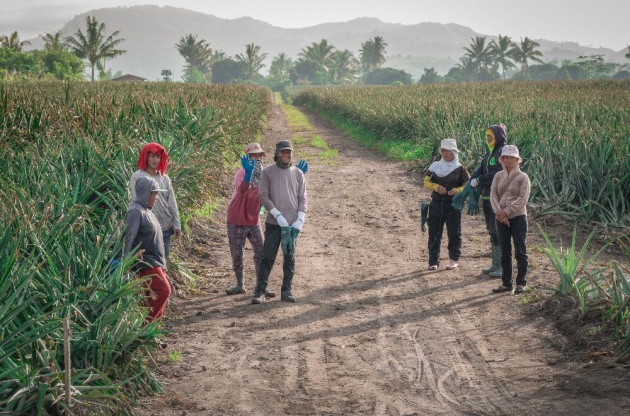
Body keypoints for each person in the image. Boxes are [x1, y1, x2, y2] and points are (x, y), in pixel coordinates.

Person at [252, 140, 307, 304]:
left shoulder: (298, 173)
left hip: (292, 225)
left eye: (288, 152)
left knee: (290, 258)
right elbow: (263, 197)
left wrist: (300, 219)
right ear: (277, 153)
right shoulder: (268, 172)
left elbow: (302, 198)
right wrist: (277, 215)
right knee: (268, 257)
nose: (286, 155)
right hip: (274, 223)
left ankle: (286, 291)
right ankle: (260, 292)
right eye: (283, 152)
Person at [224, 143, 272, 296]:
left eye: (259, 155)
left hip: (253, 219)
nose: (257, 158)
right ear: (248, 158)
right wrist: (247, 175)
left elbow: (268, 196)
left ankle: (260, 286)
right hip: (236, 218)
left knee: (261, 252)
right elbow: (242, 189)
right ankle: (240, 285)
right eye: (254, 155)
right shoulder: (241, 173)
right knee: (237, 254)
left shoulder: (264, 176)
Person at [123, 176, 172, 322]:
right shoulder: (135, 211)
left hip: (156, 261)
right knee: (164, 290)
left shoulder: (147, 211)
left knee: (153, 298)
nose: (156, 197)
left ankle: (151, 337)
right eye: (153, 193)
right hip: (146, 262)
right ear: (145, 192)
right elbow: (128, 237)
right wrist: (125, 262)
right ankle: (144, 327)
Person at [424, 139, 470, 270]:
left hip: (453, 205)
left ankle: (453, 259)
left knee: (454, 232)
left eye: (447, 151)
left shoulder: (461, 169)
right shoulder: (435, 166)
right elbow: (426, 182)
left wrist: (456, 191)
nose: (444, 154)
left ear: (454, 153)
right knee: (434, 233)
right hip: (436, 204)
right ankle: (433, 261)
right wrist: (436, 187)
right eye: (443, 151)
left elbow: (467, 186)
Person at [490, 145, 531, 294]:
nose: (508, 160)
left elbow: (523, 199)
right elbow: (493, 195)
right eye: (505, 157)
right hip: (501, 217)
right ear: (502, 159)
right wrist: (499, 213)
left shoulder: (523, 177)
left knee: (520, 249)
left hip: (518, 216)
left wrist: (506, 212)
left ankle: (521, 282)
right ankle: (506, 283)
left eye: (511, 157)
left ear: (517, 160)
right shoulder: (498, 176)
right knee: (505, 250)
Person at [130, 143, 182, 259]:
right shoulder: (137, 177)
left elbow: (172, 202)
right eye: (152, 156)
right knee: (148, 260)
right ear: (145, 157)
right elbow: (135, 201)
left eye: (158, 157)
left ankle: (164, 276)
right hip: (147, 227)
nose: (155, 160)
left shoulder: (164, 178)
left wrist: (177, 224)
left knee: (164, 258)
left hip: (165, 225)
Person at [469, 124, 507, 277]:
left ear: (498, 136)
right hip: (487, 197)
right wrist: (472, 179)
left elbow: (497, 173)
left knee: (499, 232)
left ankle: (503, 267)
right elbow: (481, 168)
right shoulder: (489, 153)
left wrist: (479, 180)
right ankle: (495, 264)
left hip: (498, 198)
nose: (488, 139)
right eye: (487, 136)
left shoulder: (502, 152)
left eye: (491, 136)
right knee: (492, 231)